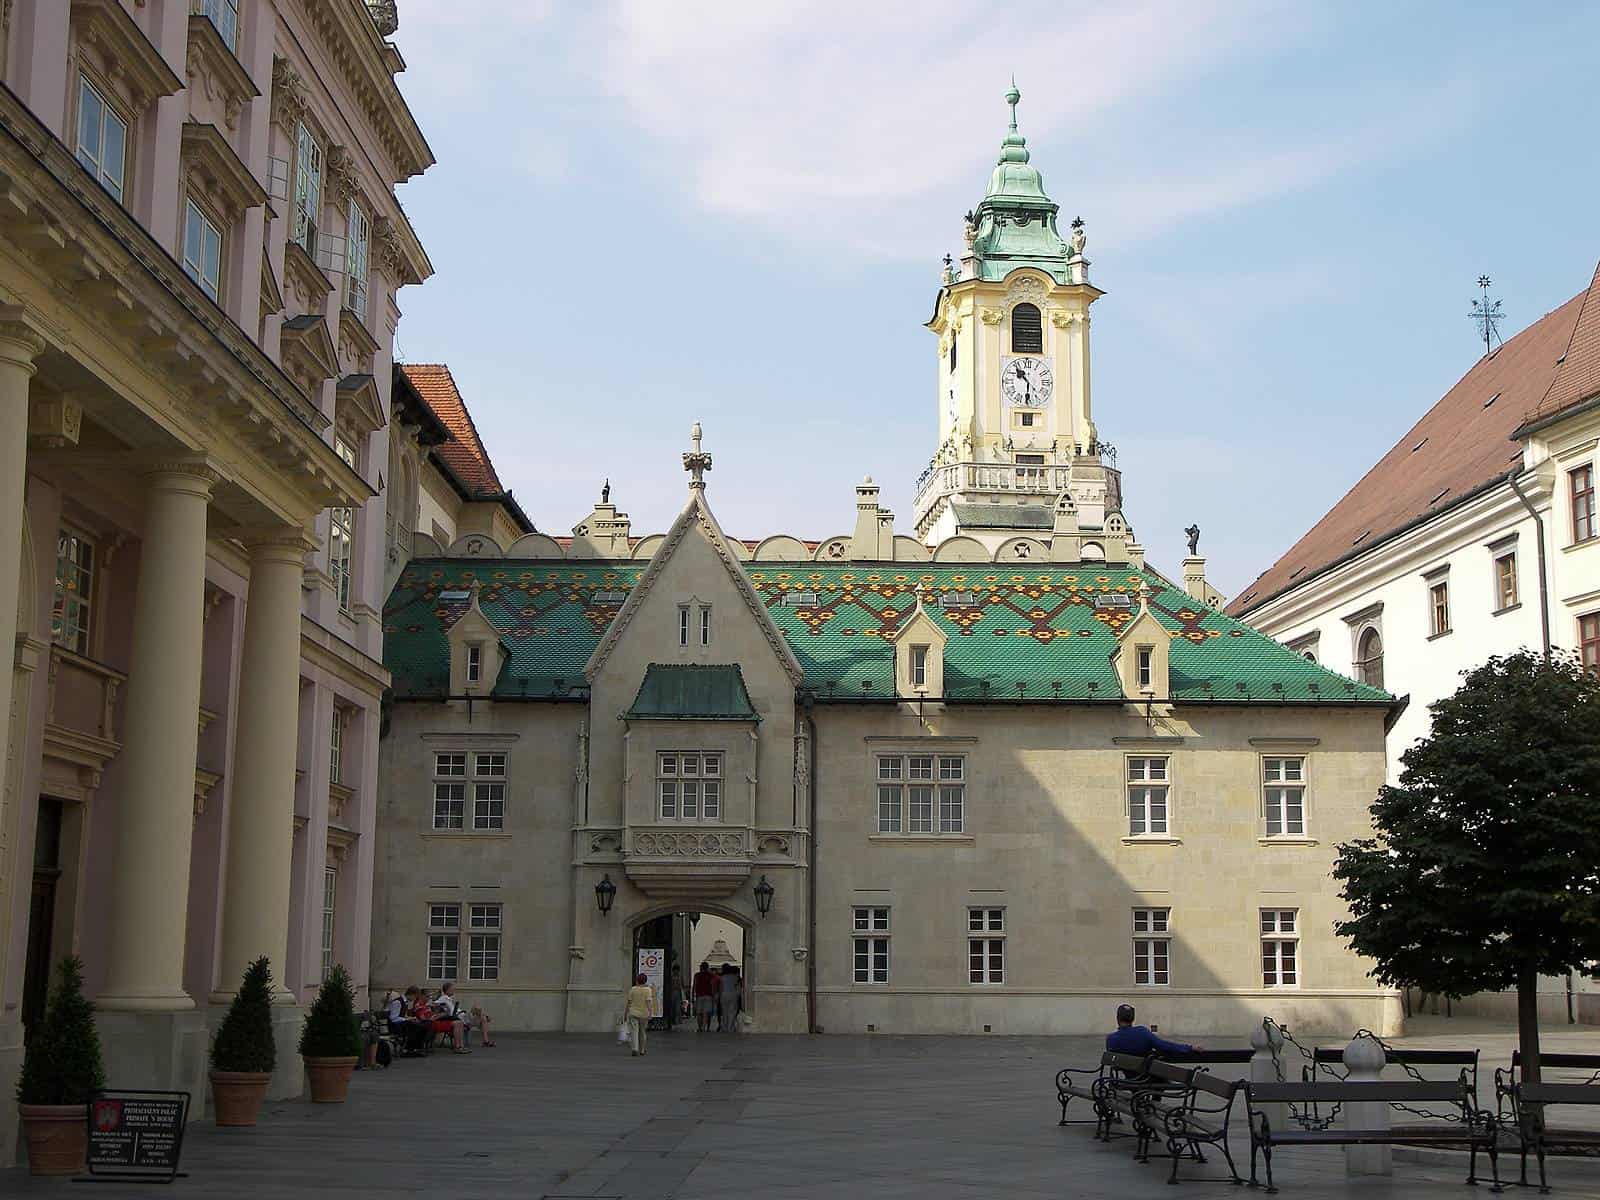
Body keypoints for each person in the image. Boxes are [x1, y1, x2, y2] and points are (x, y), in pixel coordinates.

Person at [1105, 1003, 1200, 1057]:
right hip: (1146, 1078)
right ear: (1133, 1019)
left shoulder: (1111, 1039)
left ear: (1117, 1018)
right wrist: (1189, 1048)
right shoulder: (1142, 1033)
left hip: (1127, 1079)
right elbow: (1164, 1045)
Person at [434, 981, 494, 1048]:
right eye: (452, 989)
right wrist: (437, 996)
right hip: (460, 1018)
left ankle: (486, 1041)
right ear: (447, 990)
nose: (453, 990)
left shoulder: (449, 999)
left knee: (483, 1018)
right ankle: (485, 1020)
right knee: (478, 1009)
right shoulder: (443, 998)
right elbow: (434, 1003)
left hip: (463, 1016)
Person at [622, 972, 654, 1056]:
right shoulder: (648, 990)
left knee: (634, 1031)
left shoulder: (633, 989)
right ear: (645, 981)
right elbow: (648, 1002)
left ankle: (635, 1049)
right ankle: (642, 1050)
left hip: (633, 1013)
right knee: (642, 1031)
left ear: (637, 980)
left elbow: (629, 1002)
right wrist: (650, 1013)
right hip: (644, 1014)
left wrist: (625, 1013)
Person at [692, 961, 718, 1032]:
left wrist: (692, 996)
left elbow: (694, 986)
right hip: (708, 995)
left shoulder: (696, 975)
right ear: (707, 967)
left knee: (699, 1012)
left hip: (699, 995)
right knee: (706, 1012)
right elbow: (713, 986)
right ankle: (704, 1027)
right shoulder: (710, 975)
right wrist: (713, 995)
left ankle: (700, 1027)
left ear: (701, 967)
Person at [717, 963, 742, 1032]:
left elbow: (720, 988)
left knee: (724, 1012)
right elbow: (738, 987)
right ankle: (730, 1027)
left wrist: (719, 996)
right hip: (733, 995)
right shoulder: (735, 977)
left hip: (724, 995)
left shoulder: (722, 977)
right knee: (732, 1012)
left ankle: (725, 1027)